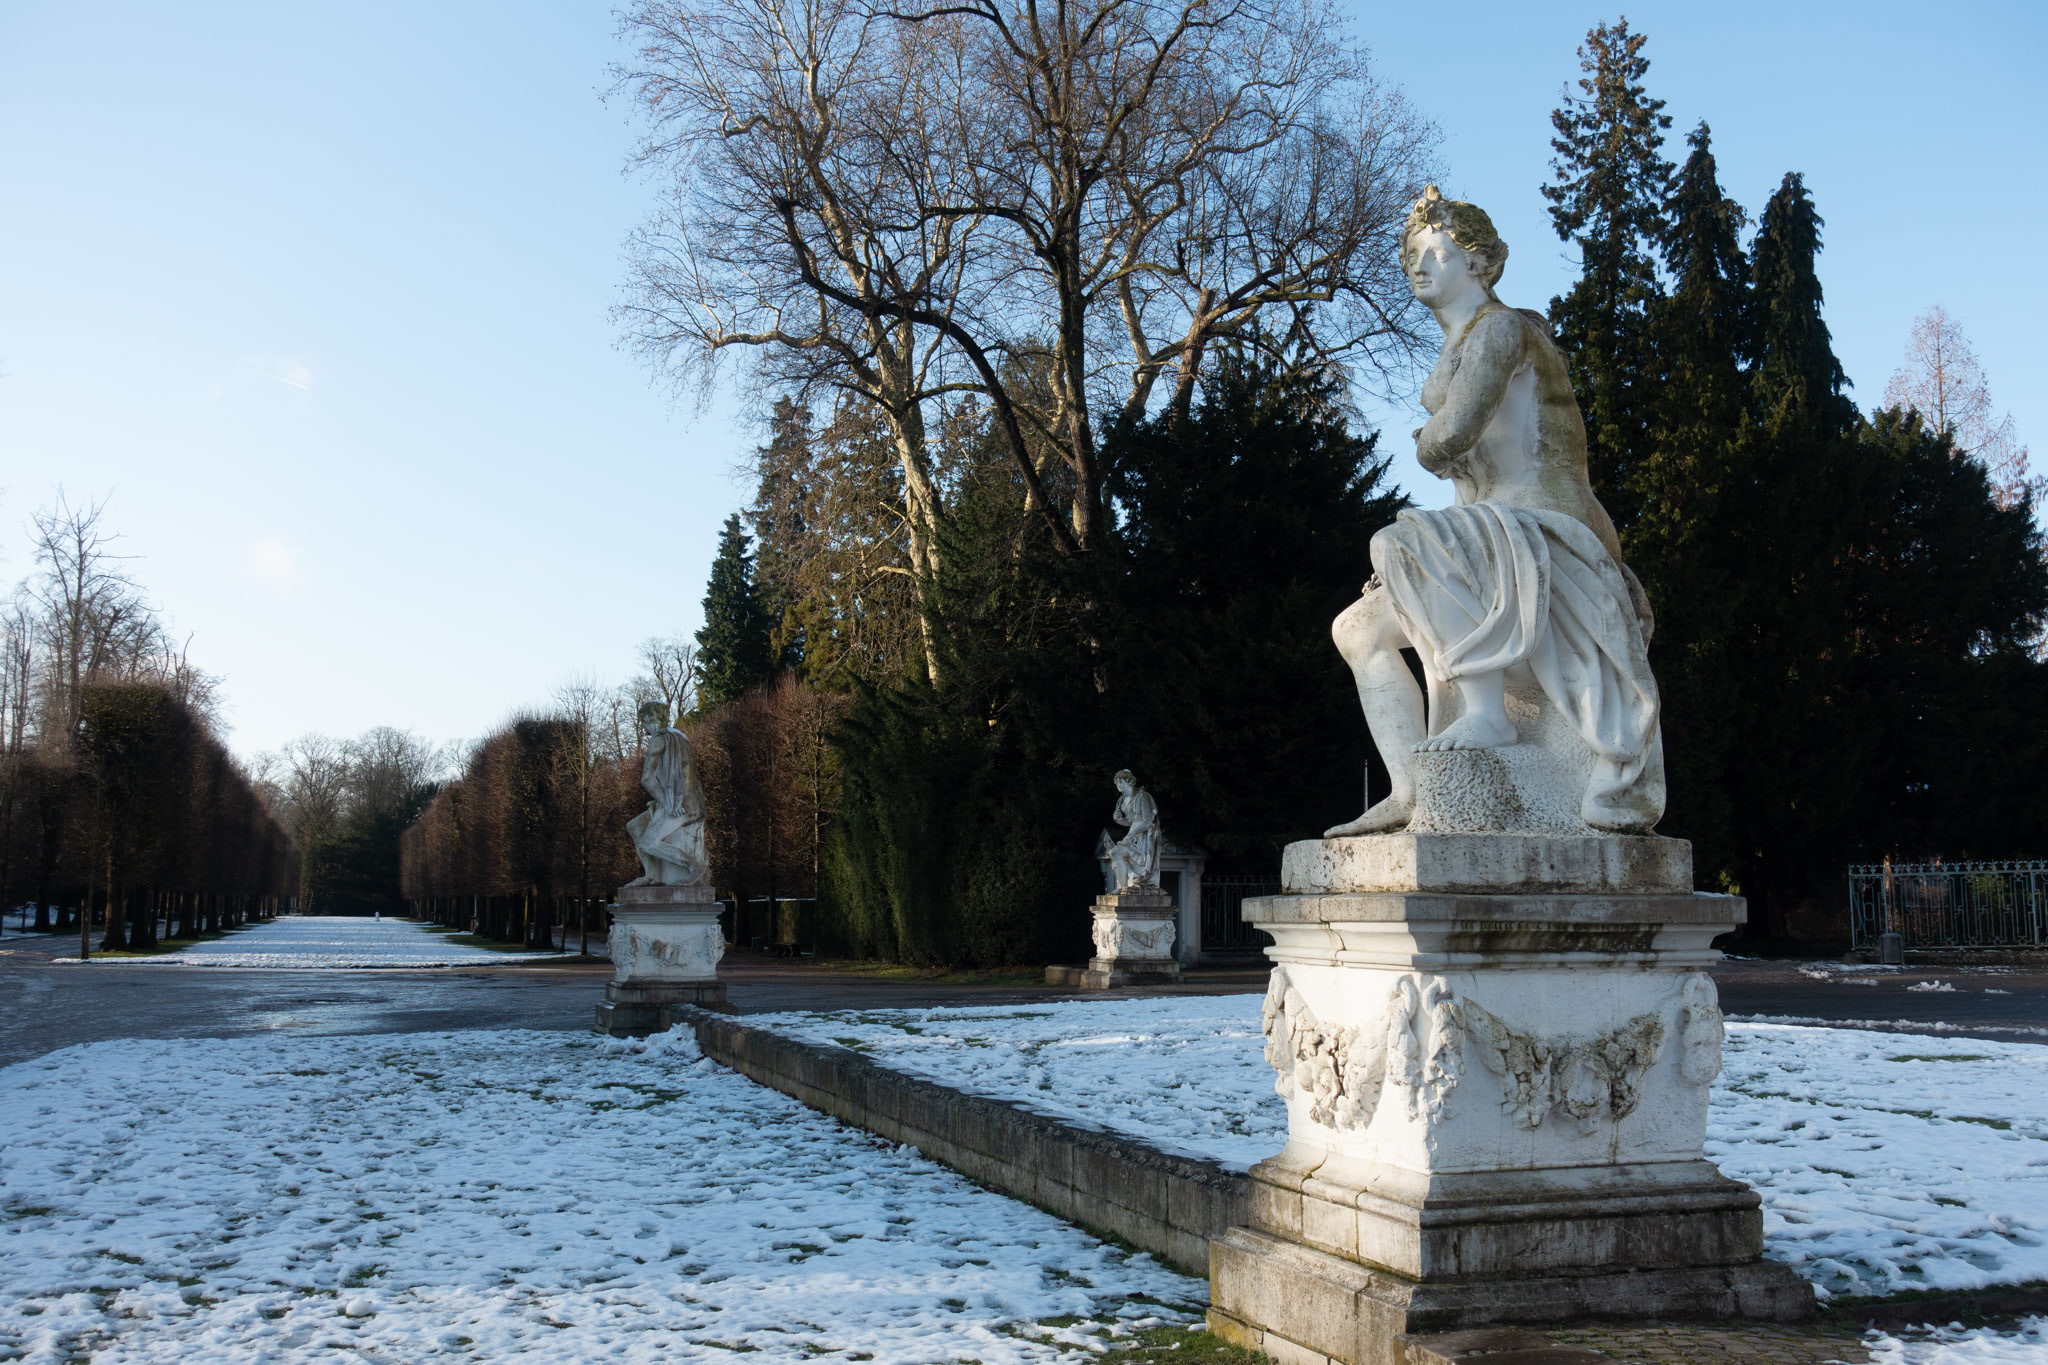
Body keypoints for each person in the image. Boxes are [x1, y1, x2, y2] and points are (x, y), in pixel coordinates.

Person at [1325, 187, 1664, 836]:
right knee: (1356, 631)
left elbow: (1448, 437)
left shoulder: (1503, 330)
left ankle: (1487, 710)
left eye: (1437, 252)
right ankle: (1408, 790)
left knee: (1397, 543)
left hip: (1551, 532)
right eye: (1412, 255)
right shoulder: (1458, 348)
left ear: (1478, 263)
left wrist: (1428, 445)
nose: (1419, 265)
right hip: (1496, 536)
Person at [625, 701, 710, 886]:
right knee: (635, 826)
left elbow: (646, 779)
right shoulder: (678, 737)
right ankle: (652, 875)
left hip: (679, 804)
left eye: (644, 720)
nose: (644, 725)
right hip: (685, 800)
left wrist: (667, 803)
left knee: (648, 843)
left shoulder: (658, 739)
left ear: (650, 718)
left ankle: (695, 868)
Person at [1106, 769, 1162, 890]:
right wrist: (1120, 820)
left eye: (1122, 783)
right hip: (1133, 836)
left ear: (1130, 782)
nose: (1119, 785)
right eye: (1117, 783)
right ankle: (1122, 888)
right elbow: (1132, 821)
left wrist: (1131, 834)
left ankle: (1126, 886)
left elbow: (1147, 821)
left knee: (1115, 853)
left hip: (1143, 838)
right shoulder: (1122, 800)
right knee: (1114, 853)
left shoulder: (1141, 797)